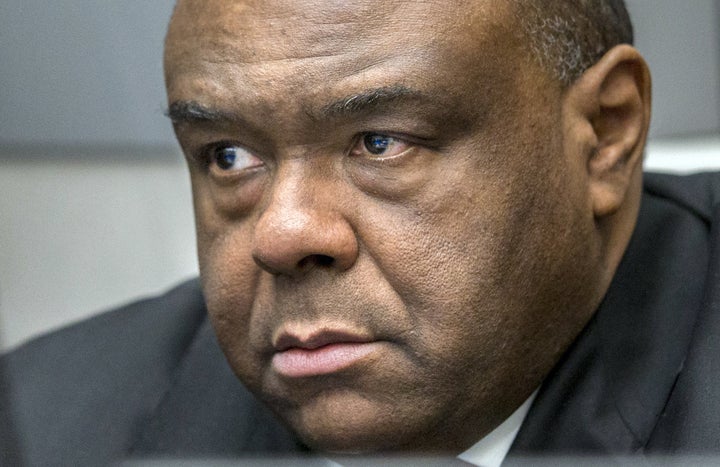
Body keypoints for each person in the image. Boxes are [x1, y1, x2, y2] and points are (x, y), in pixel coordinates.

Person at [2, 0, 719, 465]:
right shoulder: (40, 427)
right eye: (228, 155)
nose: (280, 235)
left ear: (604, 134)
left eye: (380, 142)